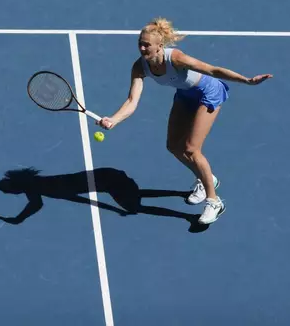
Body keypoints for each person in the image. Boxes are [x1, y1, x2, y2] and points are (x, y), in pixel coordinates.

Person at [97, 17, 273, 225]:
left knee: (191, 149)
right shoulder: (139, 67)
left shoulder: (176, 58)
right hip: (185, 95)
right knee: (173, 146)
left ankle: (214, 201)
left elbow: (212, 70)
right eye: (140, 44)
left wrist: (246, 81)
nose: (142, 48)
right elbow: (132, 100)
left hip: (208, 93)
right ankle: (208, 179)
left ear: (159, 46)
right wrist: (114, 119)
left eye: (147, 45)